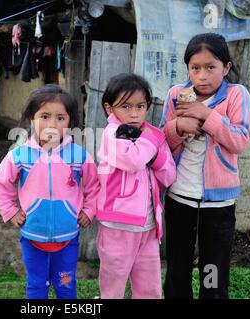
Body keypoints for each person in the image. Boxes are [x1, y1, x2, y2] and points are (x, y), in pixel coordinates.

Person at [159, 33, 250, 299]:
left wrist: (207, 115)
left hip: (218, 204)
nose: (202, 76)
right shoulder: (177, 94)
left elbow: (240, 140)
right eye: (195, 68)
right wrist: (178, 127)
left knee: (212, 270)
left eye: (211, 67)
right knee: (178, 268)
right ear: (187, 68)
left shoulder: (236, 95)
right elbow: (160, 141)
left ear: (226, 67)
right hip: (179, 197)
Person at [0, 84, 100, 299]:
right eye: (45, 116)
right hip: (32, 236)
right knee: (37, 286)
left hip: (68, 238)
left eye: (60, 118)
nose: (52, 124)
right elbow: (0, 183)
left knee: (65, 286)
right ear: (32, 118)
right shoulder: (20, 155)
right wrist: (11, 211)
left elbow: (94, 185)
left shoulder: (79, 156)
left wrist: (89, 210)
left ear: (70, 122)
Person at [96, 73, 176, 299]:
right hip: (117, 226)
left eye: (140, 106)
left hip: (149, 227)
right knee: (113, 287)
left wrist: (155, 156)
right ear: (109, 108)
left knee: (149, 289)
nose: (134, 114)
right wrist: (150, 143)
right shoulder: (112, 135)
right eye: (126, 106)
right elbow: (132, 160)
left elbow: (169, 175)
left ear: (148, 106)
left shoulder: (151, 135)